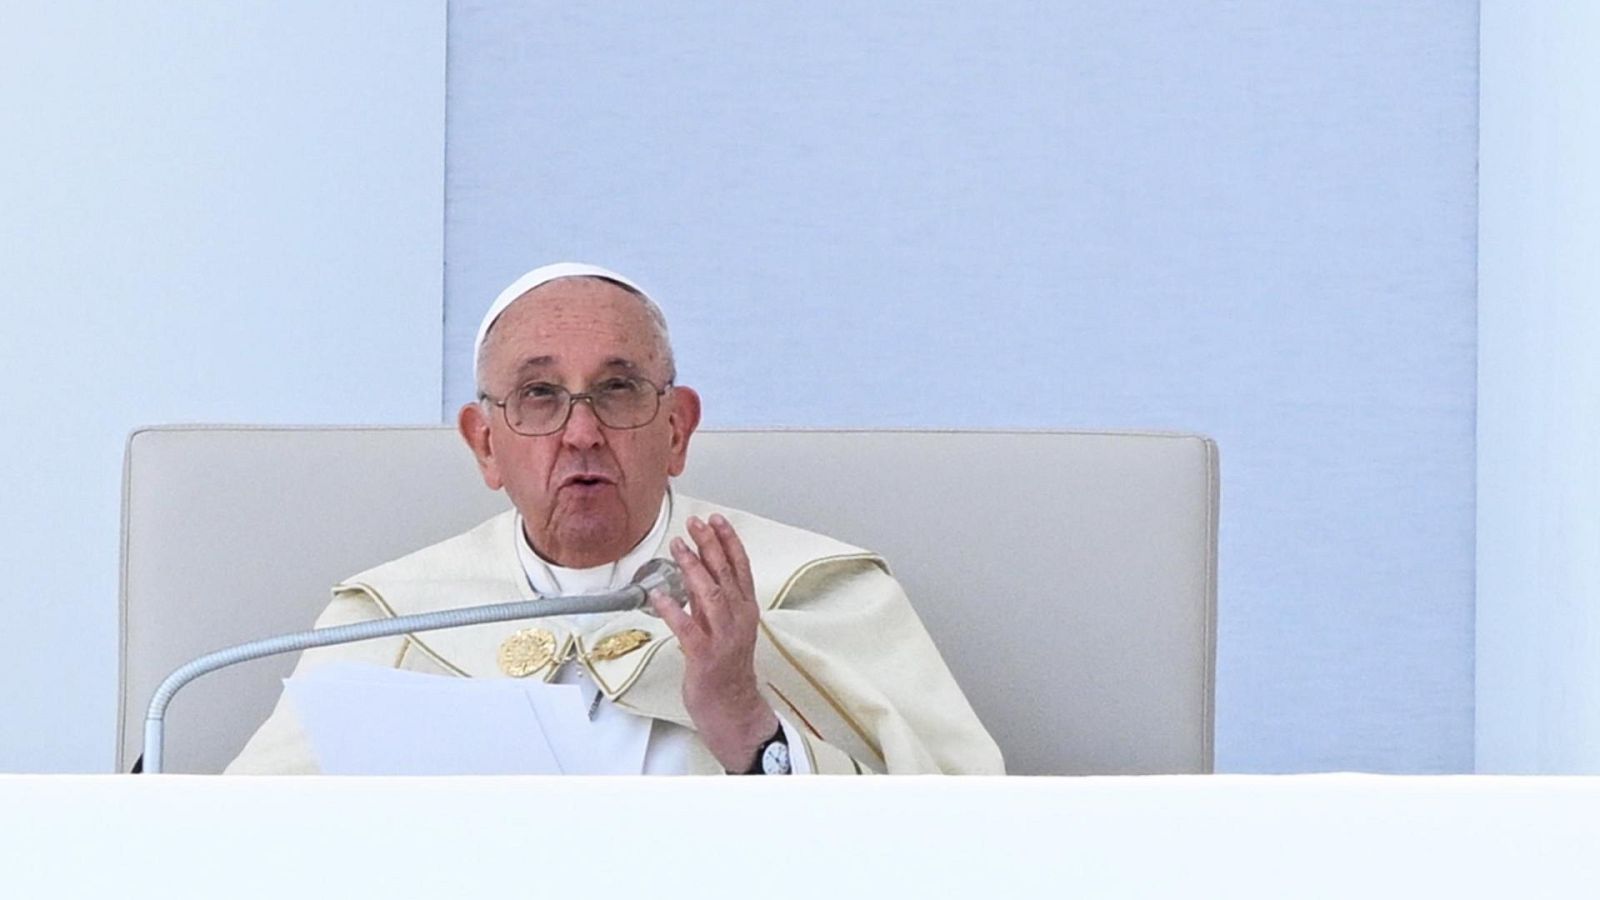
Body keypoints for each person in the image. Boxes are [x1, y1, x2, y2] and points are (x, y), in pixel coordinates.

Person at [227, 262, 1003, 775]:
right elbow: (245, 844)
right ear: (485, 444)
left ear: (677, 429)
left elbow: (965, 843)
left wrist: (744, 719)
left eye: (618, 389)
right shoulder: (391, 620)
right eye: (539, 395)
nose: (581, 432)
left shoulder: (812, 593)